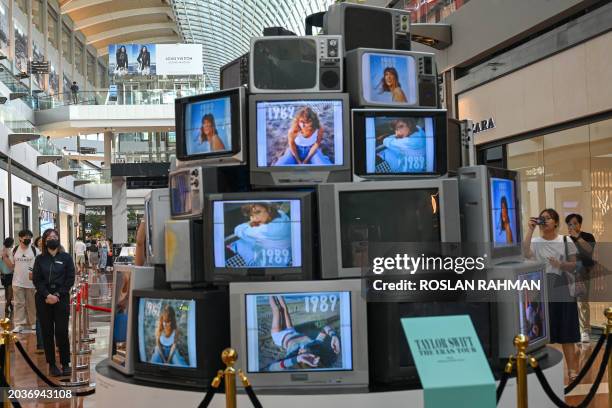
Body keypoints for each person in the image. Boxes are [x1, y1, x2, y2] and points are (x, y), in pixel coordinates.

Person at [523, 208, 580, 381]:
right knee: (541, 332)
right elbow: (526, 253)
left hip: (562, 288)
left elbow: (574, 265)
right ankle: (544, 373)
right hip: (542, 290)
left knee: (567, 332)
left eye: (548, 218)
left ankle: (572, 371)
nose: (544, 221)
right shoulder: (535, 241)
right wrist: (530, 229)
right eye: (542, 218)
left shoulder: (566, 240)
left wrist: (560, 264)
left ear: (555, 222)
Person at [32, 228, 75, 377]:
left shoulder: (66, 257)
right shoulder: (39, 259)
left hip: (61, 298)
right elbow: (37, 280)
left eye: (55, 236)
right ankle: (51, 364)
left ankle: (65, 363)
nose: (52, 238)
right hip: (43, 299)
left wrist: (57, 294)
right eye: (49, 237)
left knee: (62, 331)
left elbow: (70, 278)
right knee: (47, 332)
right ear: (44, 240)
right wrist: (47, 294)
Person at [265, 295, 340, 371]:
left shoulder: (293, 355)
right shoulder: (316, 343)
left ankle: (269, 292)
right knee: (284, 308)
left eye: (299, 354)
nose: (300, 351)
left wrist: (297, 358)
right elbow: (323, 326)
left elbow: (272, 368)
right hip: (291, 331)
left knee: (277, 309)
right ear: (314, 356)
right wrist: (333, 335)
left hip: (280, 336)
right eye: (303, 353)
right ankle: (277, 291)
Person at [565, 213, 596, 344]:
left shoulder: (588, 236)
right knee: (570, 304)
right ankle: (574, 330)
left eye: (575, 223)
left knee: (582, 302)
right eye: (569, 224)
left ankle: (585, 331)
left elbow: (589, 250)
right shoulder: (565, 239)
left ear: (580, 224)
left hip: (583, 273)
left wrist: (577, 236)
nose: (572, 226)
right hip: (569, 274)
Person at [11, 230, 38, 334]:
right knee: (18, 304)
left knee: (32, 303)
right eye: (25, 236)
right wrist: (4, 257)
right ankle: (19, 324)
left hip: (31, 283)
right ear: (20, 238)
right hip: (17, 282)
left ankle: (33, 323)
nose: (27, 238)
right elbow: (12, 266)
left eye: (29, 237)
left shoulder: (35, 250)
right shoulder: (15, 250)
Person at [33, 236, 45, 354]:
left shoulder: (61, 254)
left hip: (57, 294)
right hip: (40, 292)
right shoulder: (36, 256)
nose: (42, 244)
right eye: (40, 242)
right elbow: (32, 276)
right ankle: (41, 344)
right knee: (40, 319)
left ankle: (57, 343)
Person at [0, 238, 15, 318]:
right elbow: (11, 264)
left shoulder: (1, 250)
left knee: (7, 291)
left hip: (3, 275)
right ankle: (6, 306)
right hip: (9, 274)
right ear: (10, 243)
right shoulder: (9, 251)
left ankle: (10, 305)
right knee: (11, 293)